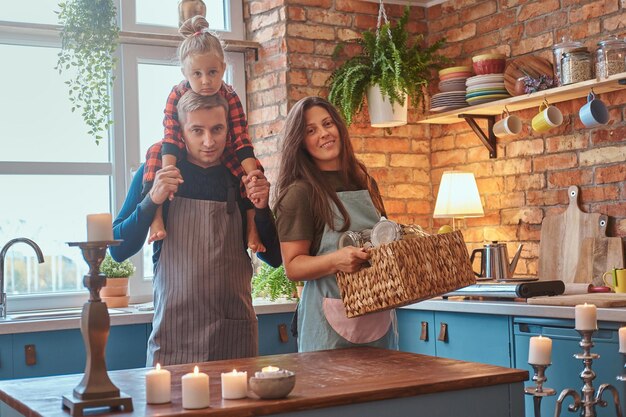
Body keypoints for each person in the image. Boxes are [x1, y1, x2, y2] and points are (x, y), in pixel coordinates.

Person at [110, 91, 281, 366]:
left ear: (229, 128)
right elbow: (118, 249)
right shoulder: (156, 173)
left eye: (217, 129)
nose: (209, 141)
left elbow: (274, 258)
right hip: (173, 338)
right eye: (197, 130)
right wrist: (152, 200)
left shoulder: (240, 177)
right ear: (180, 131)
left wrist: (261, 208)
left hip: (233, 335)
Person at [273, 96, 397, 352]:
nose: (324, 134)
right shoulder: (300, 193)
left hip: (378, 316)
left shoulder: (364, 181)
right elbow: (293, 266)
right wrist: (335, 260)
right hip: (328, 325)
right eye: (311, 130)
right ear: (301, 142)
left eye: (327, 124)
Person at [144, 15, 265, 254]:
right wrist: (167, 175)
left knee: (252, 170)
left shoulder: (229, 95)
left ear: (223, 68)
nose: (206, 81)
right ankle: (155, 218)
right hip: (177, 149)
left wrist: (253, 178)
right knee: (155, 153)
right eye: (197, 74)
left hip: (228, 148)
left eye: (212, 72)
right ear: (185, 72)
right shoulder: (177, 94)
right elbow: (171, 136)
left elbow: (241, 138)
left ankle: (253, 225)